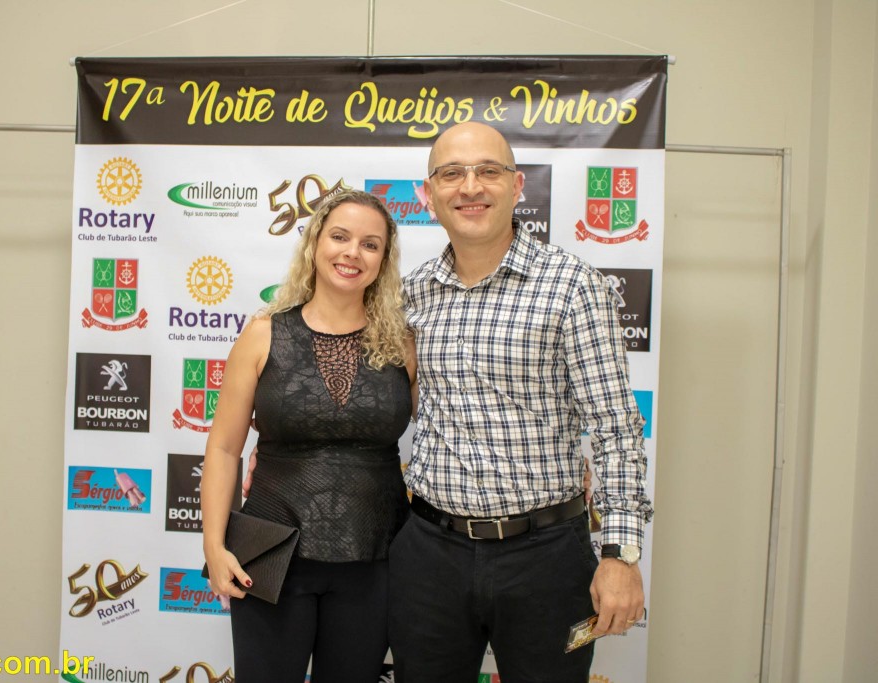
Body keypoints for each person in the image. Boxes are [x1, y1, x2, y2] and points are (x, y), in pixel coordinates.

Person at [387, 121, 653, 683]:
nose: (470, 187)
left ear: (517, 185)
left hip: (546, 558)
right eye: (451, 174)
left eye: (488, 170)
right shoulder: (412, 293)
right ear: (428, 194)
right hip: (429, 555)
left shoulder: (574, 286)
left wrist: (621, 555)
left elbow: (617, 429)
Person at [201, 189, 416, 683]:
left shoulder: (404, 344)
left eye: (370, 244)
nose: (352, 253)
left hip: (374, 558)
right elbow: (225, 447)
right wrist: (213, 544)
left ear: (383, 260)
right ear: (315, 242)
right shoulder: (263, 334)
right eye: (340, 237)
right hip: (269, 554)